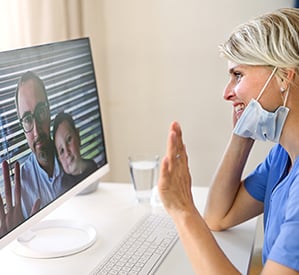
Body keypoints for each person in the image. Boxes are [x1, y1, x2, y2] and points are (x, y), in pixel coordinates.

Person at [158, 8, 299, 275]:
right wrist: (242, 133)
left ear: (283, 76)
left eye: (238, 75)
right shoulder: (284, 155)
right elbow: (218, 216)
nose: (226, 93)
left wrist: (183, 210)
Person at [14, 71, 65, 218]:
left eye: (40, 112)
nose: (36, 131)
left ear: (48, 111)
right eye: (28, 119)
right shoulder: (21, 187)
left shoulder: (70, 154)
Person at [53, 111, 97, 188]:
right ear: (59, 159)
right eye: (62, 151)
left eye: (69, 139)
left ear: (78, 136)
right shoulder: (64, 187)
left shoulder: (92, 166)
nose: (67, 153)